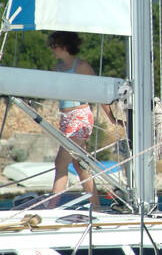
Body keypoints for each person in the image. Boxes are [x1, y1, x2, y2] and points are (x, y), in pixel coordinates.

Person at [48, 31, 120, 206]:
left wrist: (112, 118)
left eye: (53, 46)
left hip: (80, 117)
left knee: (61, 162)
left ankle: (51, 208)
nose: (51, 50)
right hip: (65, 119)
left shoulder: (82, 66)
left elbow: (99, 92)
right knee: (81, 165)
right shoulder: (56, 69)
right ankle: (96, 207)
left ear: (64, 46)